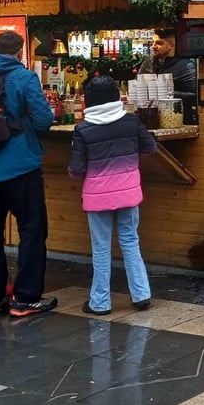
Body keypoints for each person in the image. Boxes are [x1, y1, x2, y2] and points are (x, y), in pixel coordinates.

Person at [0, 31, 57, 318]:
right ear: (20, 51)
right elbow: (44, 119)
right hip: (21, 167)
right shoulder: (24, 77)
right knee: (31, 231)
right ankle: (26, 299)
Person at [69, 76, 157, 314]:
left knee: (101, 248)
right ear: (116, 97)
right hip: (128, 193)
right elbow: (150, 148)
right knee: (130, 240)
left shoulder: (83, 129)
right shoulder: (131, 122)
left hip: (97, 197)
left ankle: (100, 302)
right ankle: (141, 294)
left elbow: (77, 170)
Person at [139, 28, 197, 98]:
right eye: (152, 42)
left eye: (159, 43)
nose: (153, 46)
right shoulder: (149, 63)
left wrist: (169, 94)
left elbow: (196, 95)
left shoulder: (185, 66)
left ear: (171, 45)